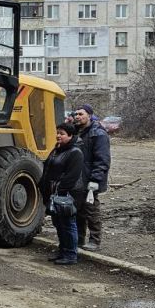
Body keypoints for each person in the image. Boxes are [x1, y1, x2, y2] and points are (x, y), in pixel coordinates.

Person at [40, 122, 85, 265]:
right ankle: (62, 251)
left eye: (62, 134)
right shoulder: (57, 149)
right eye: (57, 133)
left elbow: (72, 176)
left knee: (68, 224)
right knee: (58, 224)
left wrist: (60, 192)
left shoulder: (75, 152)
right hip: (54, 193)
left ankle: (71, 254)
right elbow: (47, 169)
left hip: (67, 195)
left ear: (70, 135)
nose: (58, 136)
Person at [72, 104, 110, 252]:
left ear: (89, 115)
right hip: (78, 179)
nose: (77, 116)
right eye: (76, 114)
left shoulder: (98, 134)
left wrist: (95, 179)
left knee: (91, 210)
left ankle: (95, 240)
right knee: (78, 211)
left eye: (81, 114)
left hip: (90, 180)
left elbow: (102, 159)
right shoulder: (76, 132)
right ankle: (79, 239)